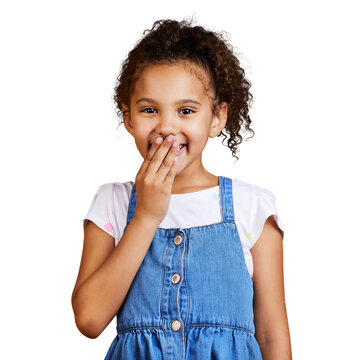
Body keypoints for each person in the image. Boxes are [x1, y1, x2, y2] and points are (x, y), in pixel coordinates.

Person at [71, 18, 292, 359]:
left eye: (186, 110)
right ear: (128, 117)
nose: (166, 126)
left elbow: (272, 335)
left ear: (217, 118)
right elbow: (89, 318)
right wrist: (145, 216)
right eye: (149, 110)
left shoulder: (253, 207)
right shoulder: (112, 202)